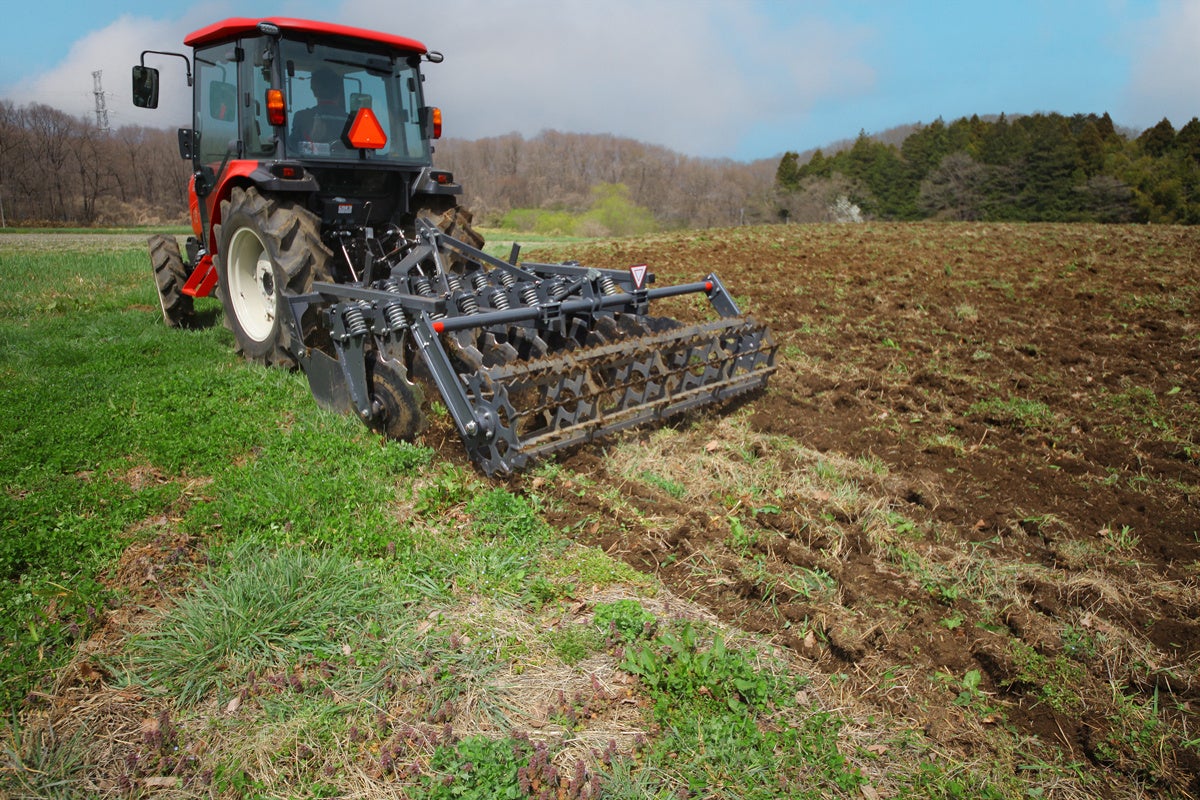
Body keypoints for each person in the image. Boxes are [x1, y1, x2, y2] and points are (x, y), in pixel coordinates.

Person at [290, 68, 345, 151]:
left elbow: (291, 148)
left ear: (314, 90)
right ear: (339, 91)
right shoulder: (353, 121)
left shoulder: (301, 117)